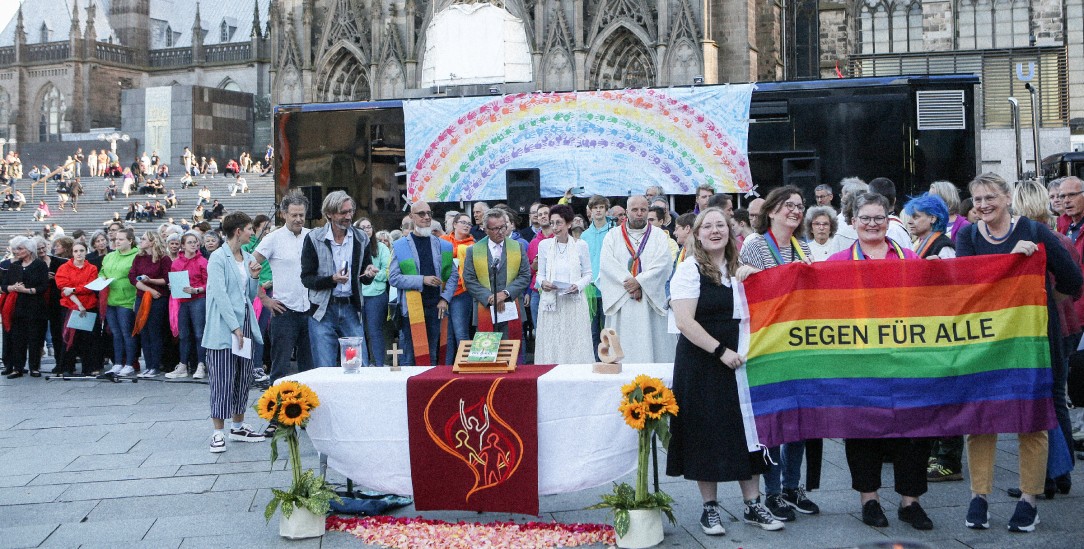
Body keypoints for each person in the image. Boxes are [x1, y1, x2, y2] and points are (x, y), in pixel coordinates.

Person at [958, 174, 1082, 532]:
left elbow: (1073, 281)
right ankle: (978, 497)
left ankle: (1029, 500)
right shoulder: (967, 235)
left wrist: (1040, 301)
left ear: (1008, 197)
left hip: (1033, 341)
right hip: (985, 344)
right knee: (980, 419)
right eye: (977, 199)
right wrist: (1010, 264)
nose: (982, 205)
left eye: (989, 197)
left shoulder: (1034, 231)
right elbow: (969, 285)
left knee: (1033, 417)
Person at [667, 207, 784, 534]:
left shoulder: (740, 269)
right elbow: (684, 321)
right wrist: (720, 351)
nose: (715, 231)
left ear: (731, 232)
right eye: (708, 226)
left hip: (741, 361)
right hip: (703, 361)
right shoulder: (689, 270)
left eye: (721, 225)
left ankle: (752, 504)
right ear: (697, 234)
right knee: (706, 431)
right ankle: (710, 508)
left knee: (748, 430)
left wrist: (753, 277)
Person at [824, 193, 932, 530]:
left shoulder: (911, 259)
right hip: (859, 361)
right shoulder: (837, 262)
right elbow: (817, 303)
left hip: (906, 359)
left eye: (879, 217)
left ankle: (910, 502)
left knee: (914, 428)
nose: (873, 224)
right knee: (862, 429)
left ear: (889, 220)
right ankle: (869, 500)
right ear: (853, 222)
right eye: (866, 218)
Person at [736, 186, 820, 523]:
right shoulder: (757, 245)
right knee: (772, 419)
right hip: (769, 341)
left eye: (800, 206)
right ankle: (772, 493)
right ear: (771, 211)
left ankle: (791, 486)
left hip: (798, 342)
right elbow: (758, 288)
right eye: (788, 205)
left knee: (798, 420)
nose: (795, 211)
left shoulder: (804, 247)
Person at [203, 211, 267, 453]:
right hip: (223, 327)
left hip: (245, 324)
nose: (253, 232)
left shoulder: (248, 256)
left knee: (242, 376)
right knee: (222, 378)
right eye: (250, 229)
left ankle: (238, 426)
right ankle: (218, 432)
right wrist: (234, 326)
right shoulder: (218, 258)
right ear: (238, 231)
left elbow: (248, 296)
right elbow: (219, 295)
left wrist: (253, 278)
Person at [301, 191, 377, 368]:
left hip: (351, 308)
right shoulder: (314, 238)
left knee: (359, 365)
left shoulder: (361, 238)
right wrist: (331, 280)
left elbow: (365, 276)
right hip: (322, 311)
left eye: (350, 211)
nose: (349, 216)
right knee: (324, 366)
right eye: (343, 213)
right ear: (329, 214)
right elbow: (307, 279)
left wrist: (369, 274)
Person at [597, 195, 676, 363]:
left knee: (654, 349)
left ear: (648, 211)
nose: (639, 213)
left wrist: (640, 281)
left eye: (643, 210)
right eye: (634, 210)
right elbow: (607, 264)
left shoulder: (659, 236)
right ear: (627, 212)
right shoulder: (612, 236)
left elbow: (663, 264)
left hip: (649, 302)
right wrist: (630, 283)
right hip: (623, 300)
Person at [253, 191, 313, 391]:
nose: (298, 219)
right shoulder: (273, 239)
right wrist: (264, 298)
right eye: (294, 215)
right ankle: (277, 418)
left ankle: (309, 418)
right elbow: (250, 266)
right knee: (280, 368)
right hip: (283, 311)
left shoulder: (312, 236)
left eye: (301, 215)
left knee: (310, 369)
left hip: (311, 311)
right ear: (284, 214)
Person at [390, 201, 458, 365]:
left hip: (436, 307)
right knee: (411, 357)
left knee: (434, 355)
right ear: (412, 217)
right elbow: (394, 278)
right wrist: (422, 280)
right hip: (411, 309)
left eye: (429, 213)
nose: (427, 217)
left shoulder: (443, 245)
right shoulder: (400, 246)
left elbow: (453, 275)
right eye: (421, 214)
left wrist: (445, 299)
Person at [535, 205, 594, 363]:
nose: (554, 227)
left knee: (574, 340)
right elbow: (539, 275)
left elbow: (588, 273)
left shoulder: (581, 245)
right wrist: (543, 283)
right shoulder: (544, 246)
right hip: (551, 302)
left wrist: (578, 286)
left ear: (569, 224)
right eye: (552, 223)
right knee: (552, 340)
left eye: (559, 223)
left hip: (573, 302)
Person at [2, 237, 48, 378]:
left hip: (35, 306)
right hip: (18, 306)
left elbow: (43, 286)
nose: (17, 252)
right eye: (16, 249)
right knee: (17, 338)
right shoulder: (14, 266)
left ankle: (34, 367)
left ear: (29, 250)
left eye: (20, 249)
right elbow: (4, 286)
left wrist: (27, 290)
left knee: (35, 337)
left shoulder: (40, 265)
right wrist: (12, 288)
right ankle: (18, 367)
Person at [54, 241, 102, 376]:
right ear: (72, 253)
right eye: (76, 251)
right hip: (70, 306)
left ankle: (90, 367)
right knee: (70, 338)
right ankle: (67, 368)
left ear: (86, 251)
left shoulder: (92, 268)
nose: (79, 253)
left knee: (89, 339)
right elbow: (64, 289)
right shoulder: (64, 268)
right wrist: (78, 303)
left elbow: (90, 287)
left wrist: (75, 289)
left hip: (89, 306)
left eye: (81, 250)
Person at [128, 231, 172, 377]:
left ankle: (155, 365)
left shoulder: (163, 258)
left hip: (159, 298)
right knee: (143, 331)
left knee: (155, 332)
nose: (141, 241)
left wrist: (150, 281)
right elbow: (132, 277)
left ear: (153, 241)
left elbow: (166, 279)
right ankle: (148, 365)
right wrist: (148, 289)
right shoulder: (139, 257)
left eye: (144, 239)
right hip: (143, 296)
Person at [166, 233, 209, 379]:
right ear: (183, 245)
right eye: (190, 242)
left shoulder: (203, 261)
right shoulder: (176, 263)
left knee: (199, 334)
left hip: (198, 299)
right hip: (183, 300)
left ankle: (201, 365)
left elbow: (209, 283)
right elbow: (174, 279)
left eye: (195, 242)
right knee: (183, 334)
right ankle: (183, 365)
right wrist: (173, 285)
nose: (193, 245)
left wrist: (197, 289)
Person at [99, 229, 140, 378]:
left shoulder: (136, 256)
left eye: (121, 239)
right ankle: (117, 363)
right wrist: (102, 278)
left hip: (127, 299)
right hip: (111, 299)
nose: (117, 241)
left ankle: (129, 363)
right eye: (116, 239)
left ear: (130, 241)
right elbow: (102, 272)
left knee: (127, 333)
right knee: (115, 333)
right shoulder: (109, 256)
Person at [441, 213, 475, 363]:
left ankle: (466, 366)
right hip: (442, 293)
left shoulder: (473, 245)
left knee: (460, 332)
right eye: (463, 222)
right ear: (454, 224)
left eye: (469, 223)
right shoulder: (442, 241)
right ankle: (446, 367)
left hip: (461, 292)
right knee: (445, 336)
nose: (467, 225)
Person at [357, 217, 391, 366]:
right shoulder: (353, 246)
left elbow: (387, 272)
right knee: (358, 333)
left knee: (374, 331)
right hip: (357, 295)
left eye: (369, 227)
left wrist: (372, 275)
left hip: (376, 295)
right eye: (362, 227)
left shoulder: (381, 247)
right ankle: (362, 364)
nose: (366, 230)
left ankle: (378, 364)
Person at [903, 193, 956, 259]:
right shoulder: (919, 243)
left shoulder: (944, 247)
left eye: (916, 217)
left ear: (932, 218)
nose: (909, 222)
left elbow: (951, 268)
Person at [526, 204, 554, 327]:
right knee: (539, 331)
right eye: (540, 214)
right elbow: (528, 272)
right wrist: (534, 265)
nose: (543, 216)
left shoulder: (560, 239)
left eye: (545, 213)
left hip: (555, 290)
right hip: (537, 292)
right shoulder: (533, 243)